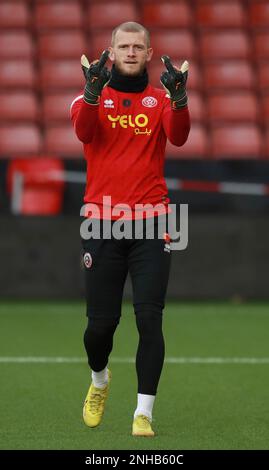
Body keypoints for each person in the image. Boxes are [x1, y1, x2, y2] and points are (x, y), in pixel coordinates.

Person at [70, 22, 190, 437]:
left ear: (150, 53)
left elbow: (180, 137)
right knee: (100, 327)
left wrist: (179, 98)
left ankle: (144, 413)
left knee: (149, 319)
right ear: (112, 50)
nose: (132, 51)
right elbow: (82, 131)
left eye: (139, 46)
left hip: (155, 221)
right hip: (101, 223)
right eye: (125, 46)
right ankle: (100, 380)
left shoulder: (160, 100)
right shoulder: (92, 96)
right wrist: (89, 95)